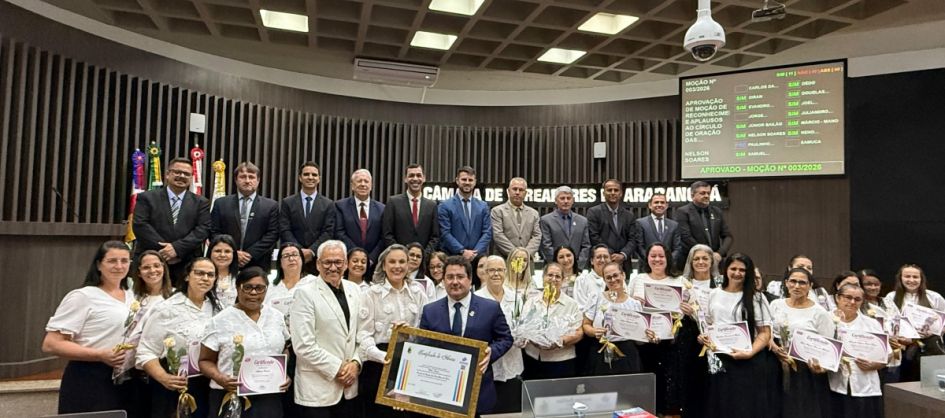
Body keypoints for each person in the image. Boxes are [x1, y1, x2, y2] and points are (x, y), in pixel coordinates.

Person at [42, 241, 135, 414]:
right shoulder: (83, 296)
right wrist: (100, 355)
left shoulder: (133, 294)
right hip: (91, 377)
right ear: (99, 264)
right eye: (112, 261)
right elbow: (51, 343)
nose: (119, 266)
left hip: (128, 378)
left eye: (124, 261)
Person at [418, 256, 513, 415]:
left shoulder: (490, 308)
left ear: (470, 279)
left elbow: (506, 338)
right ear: (443, 281)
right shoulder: (430, 311)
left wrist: (491, 352)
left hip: (478, 390)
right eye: (449, 277)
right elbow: (422, 348)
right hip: (439, 392)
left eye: (460, 276)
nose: (455, 282)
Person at [200, 267, 290, 418]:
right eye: (247, 287)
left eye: (260, 288)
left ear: (266, 290)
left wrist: (283, 373)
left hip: (269, 397)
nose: (253, 293)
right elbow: (205, 360)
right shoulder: (219, 321)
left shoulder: (276, 316)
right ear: (237, 288)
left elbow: (284, 349)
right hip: (230, 396)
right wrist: (220, 378)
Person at [138, 258, 221, 418]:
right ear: (187, 276)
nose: (205, 278)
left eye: (210, 275)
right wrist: (164, 377)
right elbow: (146, 351)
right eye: (199, 273)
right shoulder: (166, 309)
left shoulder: (218, 309)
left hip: (208, 385)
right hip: (174, 385)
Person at [289, 240, 363, 417]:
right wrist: (340, 369)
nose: (333, 267)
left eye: (338, 262)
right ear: (317, 264)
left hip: (349, 388)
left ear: (346, 264)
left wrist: (356, 364)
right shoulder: (304, 293)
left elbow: (362, 334)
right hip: (317, 388)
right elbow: (303, 345)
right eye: (327, 262)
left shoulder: (356, 290)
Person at [701, 253, 776, 418]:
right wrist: (704, 337)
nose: (737, 273)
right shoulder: (714, 294)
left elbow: (765, 333)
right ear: (726, 270)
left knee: (745, 408)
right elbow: (709, 324)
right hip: (720, 358)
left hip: (748, 360)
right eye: (733, 268)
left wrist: (750, 352)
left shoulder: (757, 297)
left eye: (742, 270)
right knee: (721, 405)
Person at [357, 244, 428, 418]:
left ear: (408, 265)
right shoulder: (370, 294)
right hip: (378, 364)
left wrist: (410, 332)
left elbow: (426, 331)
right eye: (392, 262)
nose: (397, 266)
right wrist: (384, 357)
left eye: (402, 261)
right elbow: (363, 334)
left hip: (411, 363)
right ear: (383, 265)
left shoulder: (418, 294)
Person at [631, 243, 698, 417]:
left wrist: (690, 310)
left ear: (667, 258)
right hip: (645, 341)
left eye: (661, 256)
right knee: (649, 382)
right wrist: (634, 302)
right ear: (647, 258)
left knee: (671, 385)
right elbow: (629, 307)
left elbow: (696, 311)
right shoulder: (638, 279)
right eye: (653, 256)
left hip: (673, 343)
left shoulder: (680, 281)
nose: (657, 259)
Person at [768, 268, 835, 418]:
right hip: (776, 362)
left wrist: (820, 367)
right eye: (793, 281)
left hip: (805, 370)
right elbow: (766, 332)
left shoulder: (820, 313)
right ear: (786, 283)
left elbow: (828, 349)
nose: (797, 286)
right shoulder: (775, 305)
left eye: (802, 282)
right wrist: (773, 346)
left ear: (810, 286)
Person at [133, 157, 211, 281]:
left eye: (186, 174)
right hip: (152, 261)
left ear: (191, 178)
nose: (181, 176)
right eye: (177, 172)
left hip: (185, 262)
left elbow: (203, 229)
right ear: (168, 174)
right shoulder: (147, 198)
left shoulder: (201, 202)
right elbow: (140, 225)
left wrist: (177, 249)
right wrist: (165, 251)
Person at [474, 255, 525, 413]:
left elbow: (523, 325)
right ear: (484, 272)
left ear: (506, 272)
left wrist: (524, 338)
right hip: (486, 370)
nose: (496, 274)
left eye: (500, 270)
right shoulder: (476, 299)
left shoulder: (516, 298)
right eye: (491, 270)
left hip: (512, 366)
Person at [830, 283, 887, 418]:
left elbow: (886, 356)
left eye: (857, 299)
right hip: (834, 386)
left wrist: (875, 365)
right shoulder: (827, 319)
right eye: (847, 297)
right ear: (838, 298)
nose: (852, 302)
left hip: (865, 386)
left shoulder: (872, 324)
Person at [209, 161, 279, 271]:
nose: (247, 181)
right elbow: (213, 231)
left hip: (257, 263)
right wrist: (232, 252)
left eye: (251, 177)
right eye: (243, 177)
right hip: (225, 262)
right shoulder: (221, 204)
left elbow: (272, 234)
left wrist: (249, 254)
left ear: (258, 180)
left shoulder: (270, 206)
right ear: (236, 180)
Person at [519, 262, 584, 380]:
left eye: (558, 276)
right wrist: (535, 340)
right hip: (533, 359)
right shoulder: (531, 302)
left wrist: (559, 341)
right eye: (550, 275)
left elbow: (579, 332)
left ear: (563, 280)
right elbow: (524, 326)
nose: (553, 279)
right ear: (543, 277)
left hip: (562, 361)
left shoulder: (572, 304)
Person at [884, 264, 945, 382]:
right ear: (900, 278)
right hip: (902, 347)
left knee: (931, 385)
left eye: (915, 277)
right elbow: (887, 322)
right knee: (903, 386)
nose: (911, 280)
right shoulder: (891, 297)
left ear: (921, 279)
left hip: (930, 347)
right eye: (907, 276)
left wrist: (935, 330)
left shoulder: (934, 297)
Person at [582, 262, 643, 375]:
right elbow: (586, 325)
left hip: (627, 353)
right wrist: (594, 331)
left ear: (623, 275)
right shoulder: (596, 297)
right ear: (604, 280)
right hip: (601, 349)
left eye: (616, 275)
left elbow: (639, 339)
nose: (613, 279)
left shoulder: (635, 304)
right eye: (608, 277)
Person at [279, 162, 337, 272]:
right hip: (293, 258)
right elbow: (285, 230)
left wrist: (311, 251)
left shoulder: (328, 204)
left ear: (319, 179)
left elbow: (328, 232)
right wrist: (298, 251)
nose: (310, 177)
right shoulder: (287, 202)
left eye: (314, 175)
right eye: (306, 174)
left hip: (317, 260)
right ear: (300, 178)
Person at [334, 169, 385, 276]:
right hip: (348, 263)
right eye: (359, 181)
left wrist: (370, 259)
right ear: (352, 185)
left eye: (366, 181)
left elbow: (383, 236)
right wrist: (356, 257)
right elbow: (339, 233)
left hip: (373, 264)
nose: (363, 184)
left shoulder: (382, 209)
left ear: (371, 186)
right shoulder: (340, 206)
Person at [381, 163, 440, 254]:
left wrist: (423, 255)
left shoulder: (432, 205)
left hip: (423, 261)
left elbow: (435, 236)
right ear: (405, 179)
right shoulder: (393, 202)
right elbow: (387, 234)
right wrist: (401, 254)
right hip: (400, 260)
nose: (415, 178)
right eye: (411, 175)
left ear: (424, 178)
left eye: (418, 175)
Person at [438, 165, 492, 262]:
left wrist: (475, 253)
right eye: (464, 179)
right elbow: (445, 233)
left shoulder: (483, 206)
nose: (467, 182)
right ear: (457, 181)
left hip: (477, 259)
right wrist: (462, 251)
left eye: (470, 180)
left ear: (475, 182)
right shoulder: (445, 206)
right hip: (453, 258)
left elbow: (487, 233)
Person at [859, 269, 902, 384]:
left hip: (892, 356)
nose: (873, 287)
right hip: (869, 358)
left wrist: (899, 338)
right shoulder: (857, 304)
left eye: (876, 284)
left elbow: (900, 324)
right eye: (868, 284)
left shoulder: (888, 302)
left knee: (891, 395)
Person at [674, 181, 732, 265]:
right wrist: (705, 253)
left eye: (708, 193)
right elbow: (685, 236)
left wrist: (720, 253)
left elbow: (728, 236)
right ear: (692, 195)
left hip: (715, 260)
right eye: (702, 193)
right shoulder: (683, 212)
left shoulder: (716, 211)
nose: (706, 196)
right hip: (692, 260)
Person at [587, 179, 639, 269]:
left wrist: (623, 255)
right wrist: (609, 254)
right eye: (609, 190)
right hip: (602, 261)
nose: (613, 192)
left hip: (624, 264)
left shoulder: (629, 215)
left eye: (616, 190)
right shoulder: (594, 212)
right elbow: (594, 237)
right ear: (603, 193)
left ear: (621, 193)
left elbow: (633, 239)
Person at [540, 186, 591, 270]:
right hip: (554, 269)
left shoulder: (582, 221)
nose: (566, 201)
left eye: (568, 198)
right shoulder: (546, 220)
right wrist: (558, 266)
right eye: (562, 198)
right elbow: (546, 246)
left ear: (573, 200)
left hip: (577, 269)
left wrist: (577, 266)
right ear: (556, 201)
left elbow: (586, 246)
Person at [490, 177, 542, 258]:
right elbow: (498, 235)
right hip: (504, 259)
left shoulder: (534, 213)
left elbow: (537, 236)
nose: (517, 192)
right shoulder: (497, 211)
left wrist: (526, 254)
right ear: (508, 191)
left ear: (525, 193)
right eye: (514, 189)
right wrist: (516, 254)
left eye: (521, 190)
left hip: (527, 261)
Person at [266, 242, 316, 318]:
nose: (291, 259)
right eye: (286, 256)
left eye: (295, 254)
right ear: (280, 262)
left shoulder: (314, 282)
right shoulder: (270, 287)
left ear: (302, 259)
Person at [634, 193, 684, 269]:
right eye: (656, 202)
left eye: (662, 202)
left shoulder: (674, 225)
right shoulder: (640, 223)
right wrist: (651, 260)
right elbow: (639, 246)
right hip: (647, 267)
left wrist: (667, 261)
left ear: (666, 206)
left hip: (668, 268)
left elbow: (677, 248)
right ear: (650, 205)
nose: (659, 205)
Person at [207, 234, 239, 308]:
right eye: (218, 251)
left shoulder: (241, 278)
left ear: (233, 254)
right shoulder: (202, 277)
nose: (222, 255)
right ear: (210, 253)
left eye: (227, 251)